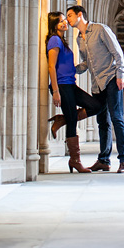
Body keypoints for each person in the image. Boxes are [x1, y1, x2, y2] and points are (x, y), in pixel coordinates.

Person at [66, 5, 124, 173]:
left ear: (80, 15)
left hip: (111, 78)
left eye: (70, 15)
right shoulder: (79, 39)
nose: (68, 19)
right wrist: (72, 69)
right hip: (97, 84)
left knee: (116, 118)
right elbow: (87, 63)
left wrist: (120, 74)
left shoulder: (100, 29)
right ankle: (104, 160)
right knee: (102, 121)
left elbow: (117, 52)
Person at [45, 11, 104, 173]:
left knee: (95, 106)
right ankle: (75, 160)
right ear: (54, 25)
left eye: (65, 20)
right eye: (60, 21)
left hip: (70, 84)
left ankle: (61, 120)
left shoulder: (62, 41)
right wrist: (55, 91)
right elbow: (51, 66)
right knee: (73, 121)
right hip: (62, 86)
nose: (64, 23)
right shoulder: (55, 40)